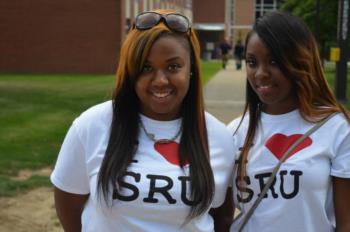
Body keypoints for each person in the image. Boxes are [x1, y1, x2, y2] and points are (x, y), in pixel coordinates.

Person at [50, 9, 235, 232]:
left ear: (191, 70)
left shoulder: (218, 136)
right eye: (146, 68)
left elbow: (221, 217)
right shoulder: (91, 125)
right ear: (130, 71)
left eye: (173, 66)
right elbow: (69, 204)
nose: (160, 80)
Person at [227, 11, 350, 232]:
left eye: (274, 61)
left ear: (299, 62)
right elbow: (221, 217)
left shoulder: (336, 128)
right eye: (252, 62)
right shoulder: (234, 132)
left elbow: (346, 222)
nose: (261, 73)